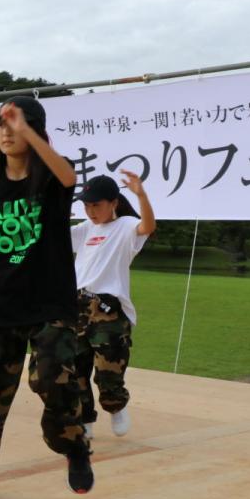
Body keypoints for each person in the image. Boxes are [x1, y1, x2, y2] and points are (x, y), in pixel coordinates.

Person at [0, 95, 92, 499]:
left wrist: (29, 131)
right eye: (1, 126)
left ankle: (74, 446)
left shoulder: (49, 179)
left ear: (35, 130)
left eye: (15, 125)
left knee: (51, 377)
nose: (6, 133)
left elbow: (67, 178)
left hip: (49, 303)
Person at [70, 172, 156, 439]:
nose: (91, 211)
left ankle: (115, 405)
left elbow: (148, 226)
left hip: (109, 310)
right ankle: (85, 419)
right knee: (76, 369)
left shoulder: (127, 226)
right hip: (77, 306)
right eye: (86, 205)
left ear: (113, 203)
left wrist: (141, 195)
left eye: (96, 205)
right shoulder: (85, 229)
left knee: (109, 371)